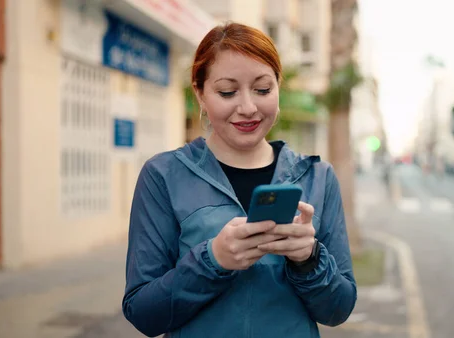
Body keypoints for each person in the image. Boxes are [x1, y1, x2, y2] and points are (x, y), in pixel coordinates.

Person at [122, 22, 357, 338]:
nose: (248, 108)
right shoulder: (163, 175)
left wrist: (309, 259)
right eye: (227, 92)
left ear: (278, 87)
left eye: (262, 89)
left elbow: (338, 309)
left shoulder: (317, 177)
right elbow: (143, 313)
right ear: (200, 94)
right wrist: (212, 261)